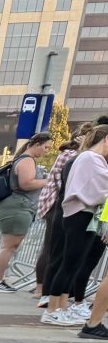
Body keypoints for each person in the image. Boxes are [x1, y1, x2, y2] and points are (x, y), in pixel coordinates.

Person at [40, 123, 108, 326]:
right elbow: (101, 185)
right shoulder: (90, 158)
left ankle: (61, 307)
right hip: (80, 214)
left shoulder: (88, 158)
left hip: (82, 213)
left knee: (74, 263)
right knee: (69, 263)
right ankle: (52, 310)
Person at [0, 135, 51, 293]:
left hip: (19, 206)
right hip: (18, 206)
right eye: (46, 147)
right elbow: (26, 183)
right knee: (9, 246)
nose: (47, 151)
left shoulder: (24, 159)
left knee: (10, 246)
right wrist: (48, 181)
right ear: (36, 144)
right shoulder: (27, 160)